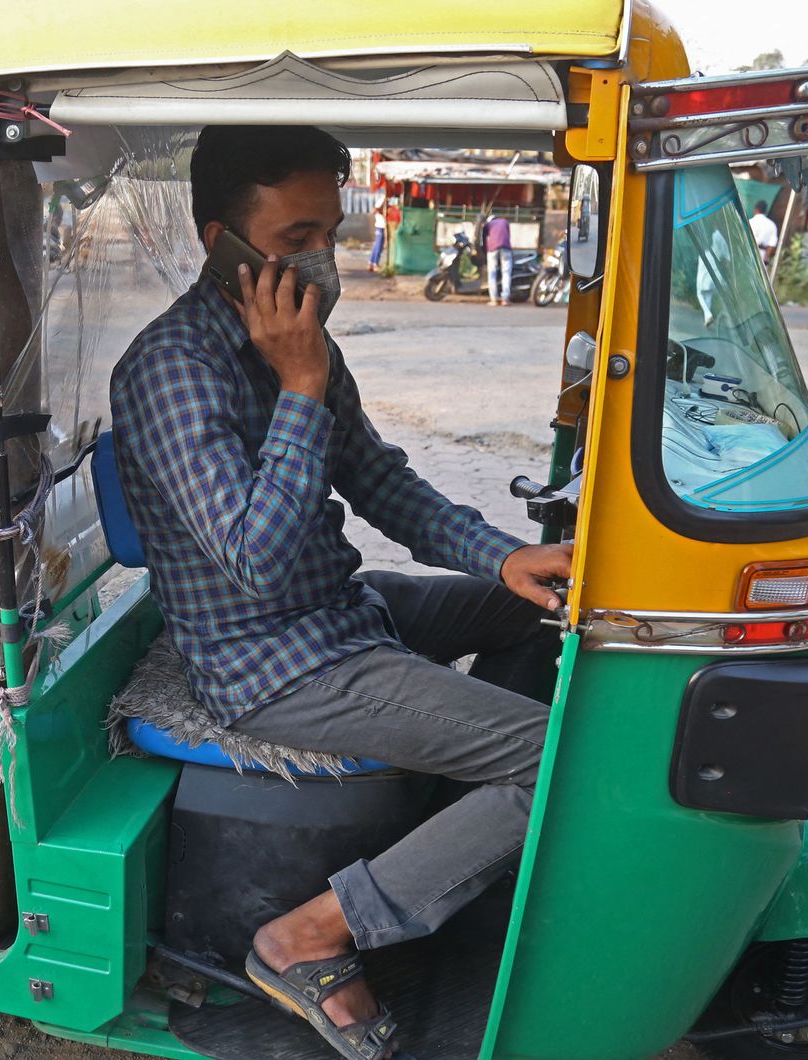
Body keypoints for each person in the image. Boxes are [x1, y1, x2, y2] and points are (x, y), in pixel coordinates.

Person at [109, 125, 570, 1060]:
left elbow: (383, 481)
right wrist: (303, 382)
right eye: (293, 240)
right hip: (271, 663)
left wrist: (500, 558)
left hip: (343, 612)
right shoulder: (173, 370)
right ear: (219, 244)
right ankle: (310, 937)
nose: (320, 257)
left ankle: (461, 845)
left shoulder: (294, 338)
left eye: (329, 230)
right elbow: (258, 563)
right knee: (565, 760)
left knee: (542, 605)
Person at [481, 210, 513, 305]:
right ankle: (505, 299)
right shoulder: (505, 222)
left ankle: (494, 299)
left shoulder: (488, 224)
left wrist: (485, 250)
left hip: (493, 249)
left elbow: (484, 238)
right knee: (506, 273)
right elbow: (508, 235)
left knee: (492, 273)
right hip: (506, 248)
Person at [749, 200, 778, 265]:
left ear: (755, 210)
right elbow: (772, 244)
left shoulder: (750, 222)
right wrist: (765, 257)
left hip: (749, 252)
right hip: (762, 254)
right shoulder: (771, 225)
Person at [368, 202, 387, 272]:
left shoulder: (384, 199)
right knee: (378, 246)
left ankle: (371, 263)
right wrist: (381, 212)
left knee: (378, 246)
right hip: (380, 226)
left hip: (382, 226)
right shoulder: (382, 200)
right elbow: (374, 211)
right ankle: (375, 264)